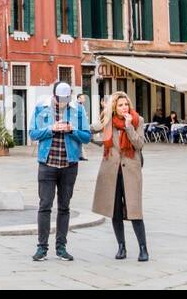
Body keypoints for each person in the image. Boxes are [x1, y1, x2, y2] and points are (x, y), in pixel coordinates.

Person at [29, 82, 91, 262]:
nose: (62, 102)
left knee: (64, 207)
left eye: (66, 99)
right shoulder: (41, 108)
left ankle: (61, 247)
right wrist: (51, 129)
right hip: (47, 163)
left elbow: (86, 137)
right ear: (54, 95)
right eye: (59, 99)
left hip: (69, 164)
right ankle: (42, 248)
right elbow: (33, 134)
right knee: (45, 205)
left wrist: (72, 130)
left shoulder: (78, 110)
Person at [91, 92, 149, 262]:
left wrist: (129, 126)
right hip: (111, 171)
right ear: (115, 107)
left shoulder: (138, 120)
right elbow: (93, 130)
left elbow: (139, 144)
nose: (124, 107)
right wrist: (85, 135)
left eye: (126, 104)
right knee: (115, 211)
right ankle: (121, 247)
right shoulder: (108, 121)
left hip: (131, 170)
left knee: (135, 210)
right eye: (120, 105)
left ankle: (143, 249)